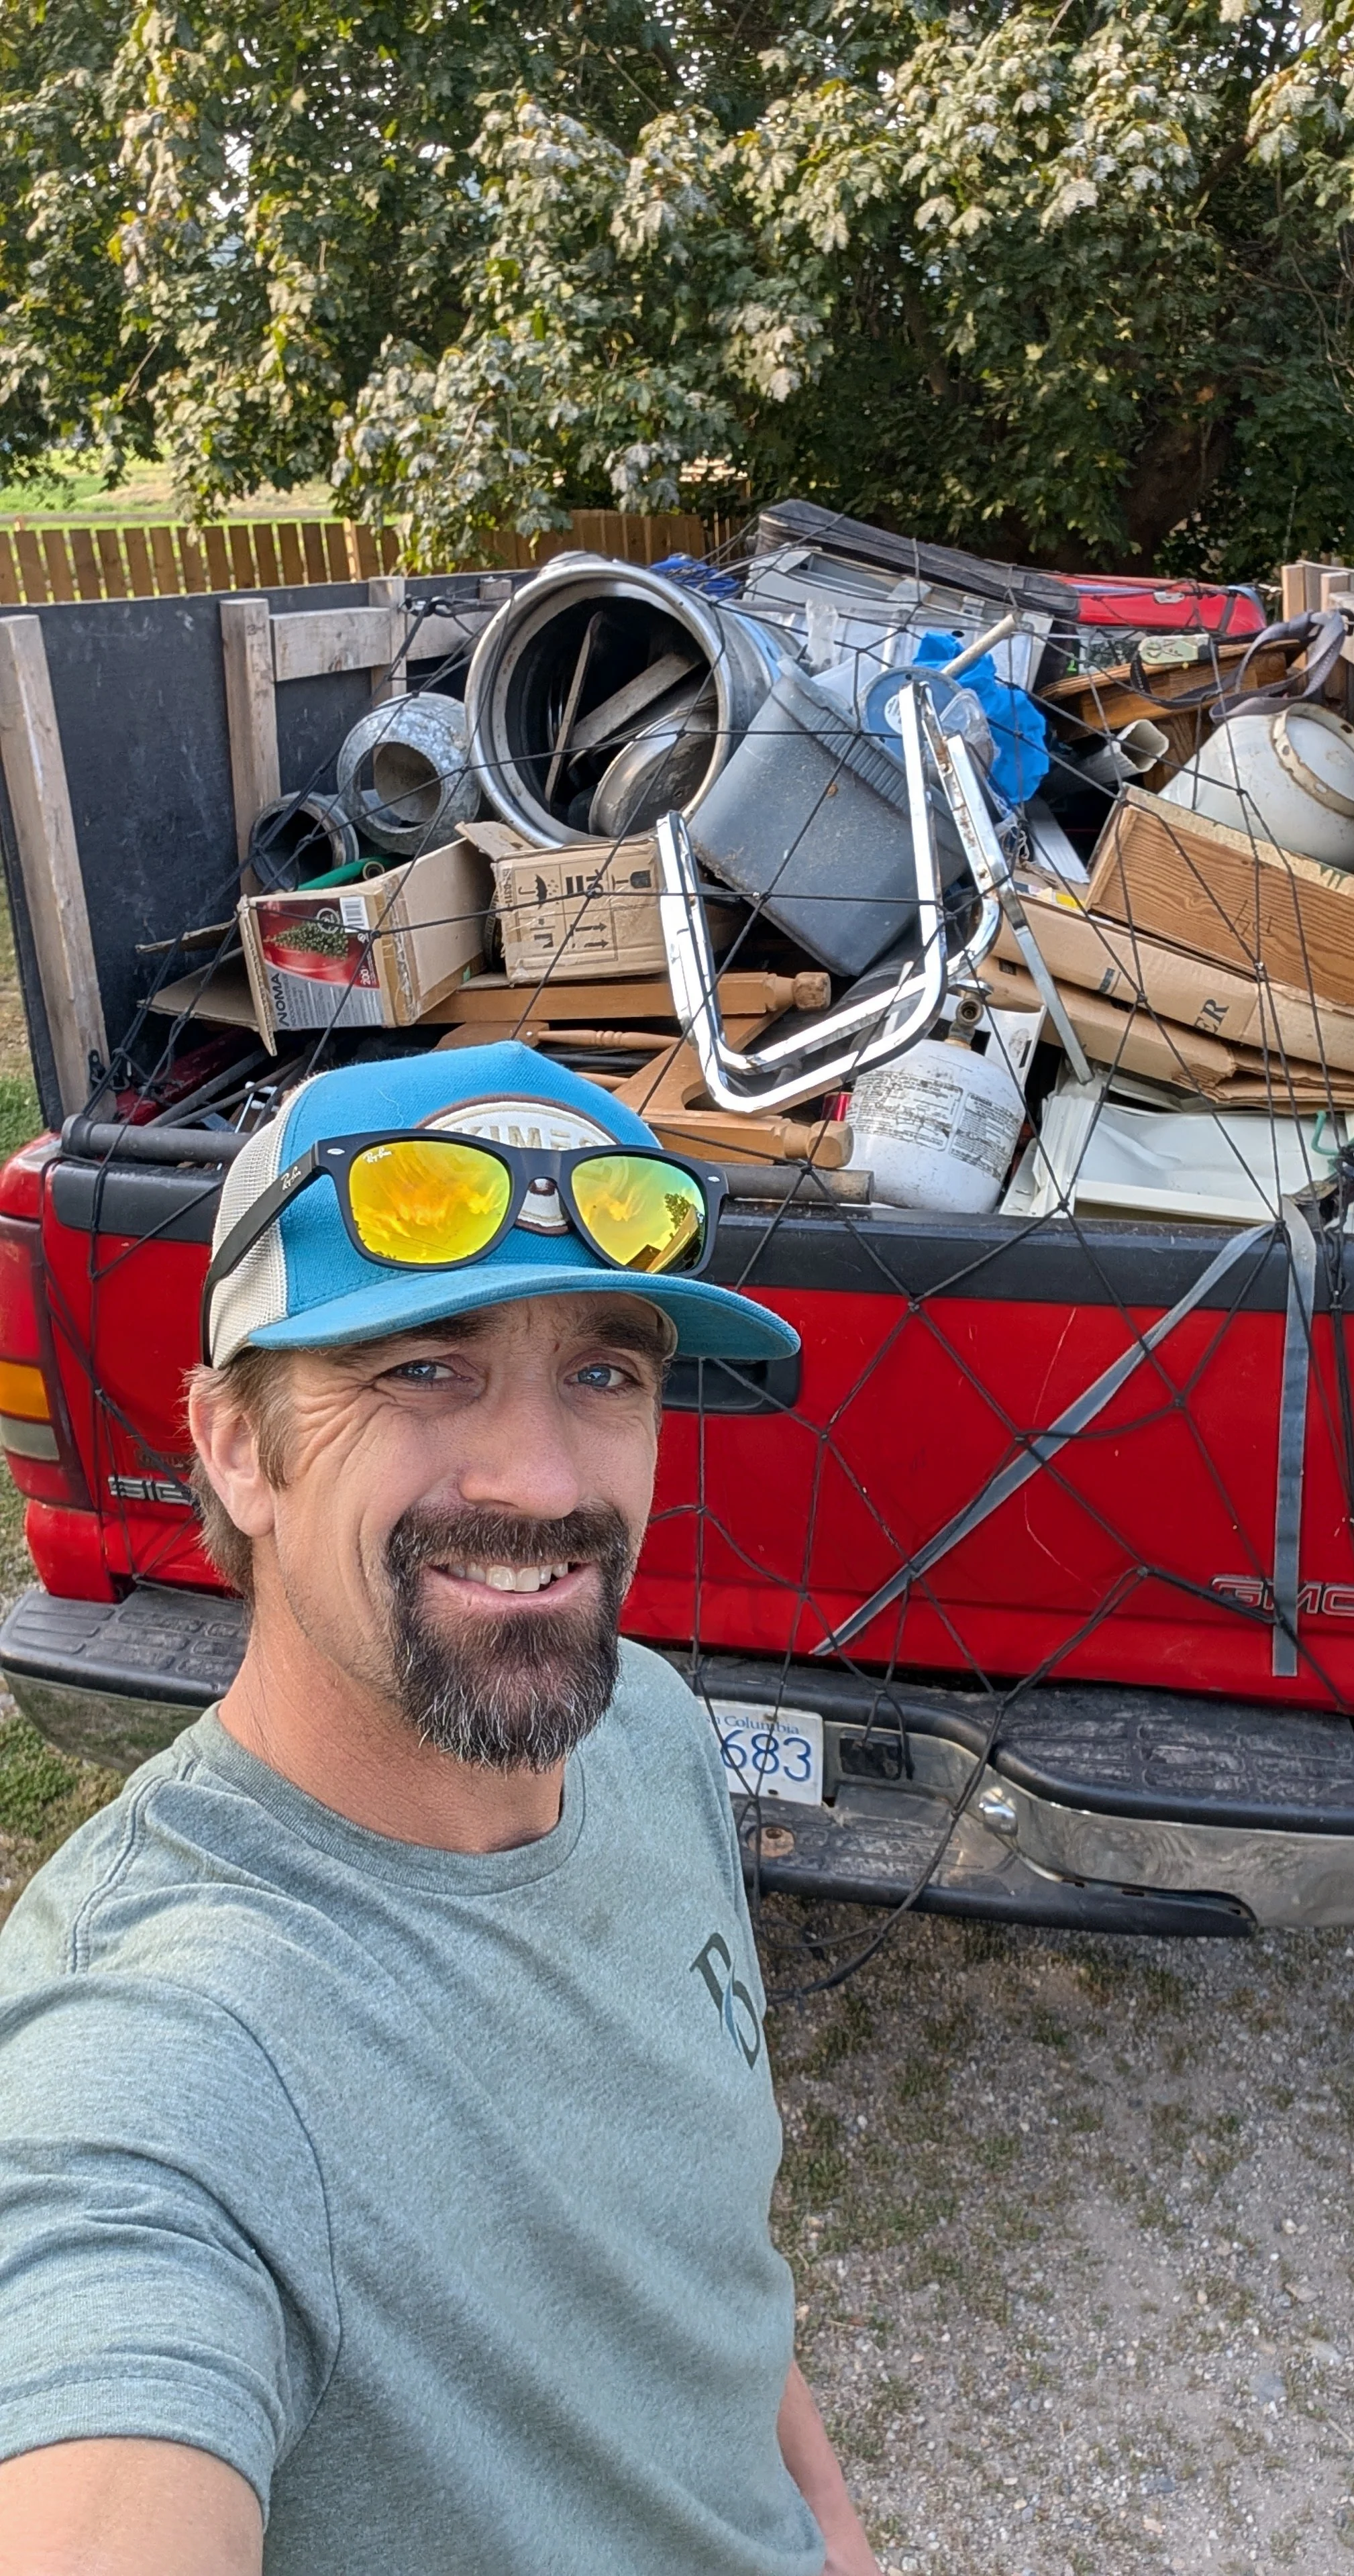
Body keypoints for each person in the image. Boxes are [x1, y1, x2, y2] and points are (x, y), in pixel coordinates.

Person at [0, 1042, 882, 2576]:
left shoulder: (652, 1733)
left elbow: (700, 2278)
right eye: (423, 1363)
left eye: (603, 1371)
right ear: (234, 1444)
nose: (543, 1478)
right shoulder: (171, 2054)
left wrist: (833, 2530)